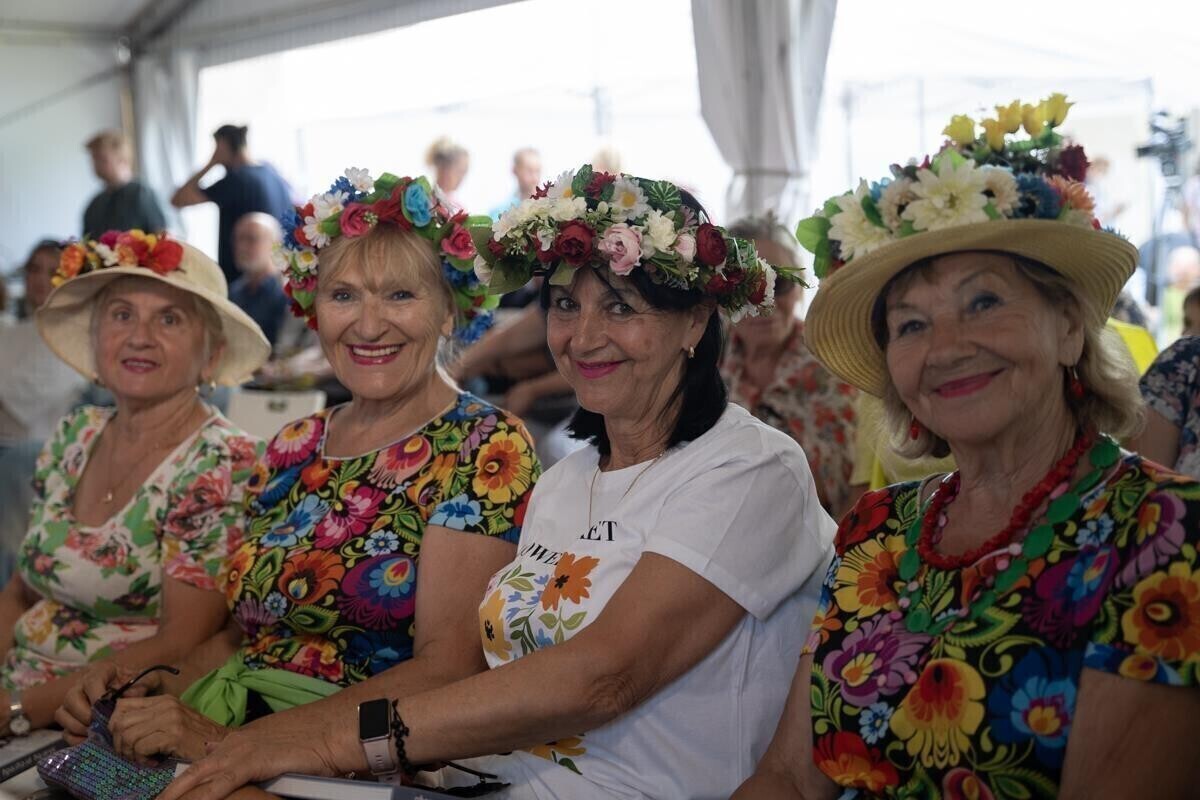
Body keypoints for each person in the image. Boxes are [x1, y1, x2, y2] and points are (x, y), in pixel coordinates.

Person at [152, 164, 834, 800]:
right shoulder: (568, 480)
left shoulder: (749, 468)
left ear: (696, 321)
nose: (583, 337)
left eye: (621, 307)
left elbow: (605, 676)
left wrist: (326, 742)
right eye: (564, 305)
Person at [736, 95, 1200, 799]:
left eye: (984, 303)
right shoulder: (878, 529)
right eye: (911, 325)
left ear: (1069, 330)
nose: (946, 348)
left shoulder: (1162, 529)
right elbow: (789, 781)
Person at [59, 170, 537, 762]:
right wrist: (143, 687)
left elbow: (447, 670)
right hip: (236, 733)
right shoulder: (295, 444)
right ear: (315, 308)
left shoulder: (484, 445)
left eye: (400, 295)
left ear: (448, 310)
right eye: (343, 296)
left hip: (371, 758)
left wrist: (233, 745)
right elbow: (243, 640)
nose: (367, 325)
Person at [0, 229, 271, 737]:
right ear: (96, 338)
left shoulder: (222, 463)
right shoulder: (75, 434)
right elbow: (19, 593)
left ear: (211, 355)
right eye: (122, 315)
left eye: (169, 319)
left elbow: (179, 643)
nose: (139, 336)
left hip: (100, 720)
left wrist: (16, 709)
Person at [721, 214, 858, 517]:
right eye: (745, 286)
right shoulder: (703, 367)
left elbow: (851, 485)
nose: (764, 301)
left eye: (778, 283)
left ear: (799, 289)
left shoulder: (839, 364)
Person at [0, 241, 89, 582]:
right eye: (34, 269)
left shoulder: (79, 338)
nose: (40, 279)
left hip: (41, 454)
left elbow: (21, 399)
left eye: (52, 271)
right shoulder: (12, 332)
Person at [171, 125, 292, 284]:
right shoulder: (272, 175)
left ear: (223, 146)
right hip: (275, 274)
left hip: (242, 279)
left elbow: (179, 199)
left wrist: (212, 163)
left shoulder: (237, 179)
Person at [81, 130, 168, 237]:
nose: (96, 165)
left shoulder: (141, 194)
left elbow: (161, 237)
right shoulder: (95, 204)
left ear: (122, 160)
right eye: (94, 159)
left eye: (102, 159)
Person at [227, 212, 289, 347]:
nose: (242, 247)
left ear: (275, 245)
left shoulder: (289, 292)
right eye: (238, 239)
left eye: (251, 239)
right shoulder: (233, 293)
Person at [490, 147, 543, 218]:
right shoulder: (499, 212)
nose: (535, 178)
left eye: (538, 171)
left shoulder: (549, 209)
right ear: (514, 170)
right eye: (529, 171)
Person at [425, 137, 469, 211]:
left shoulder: (459, 207)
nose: (462, 178)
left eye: (464, 172)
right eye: (459, 171)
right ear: (444, 168)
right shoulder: (422, 200)